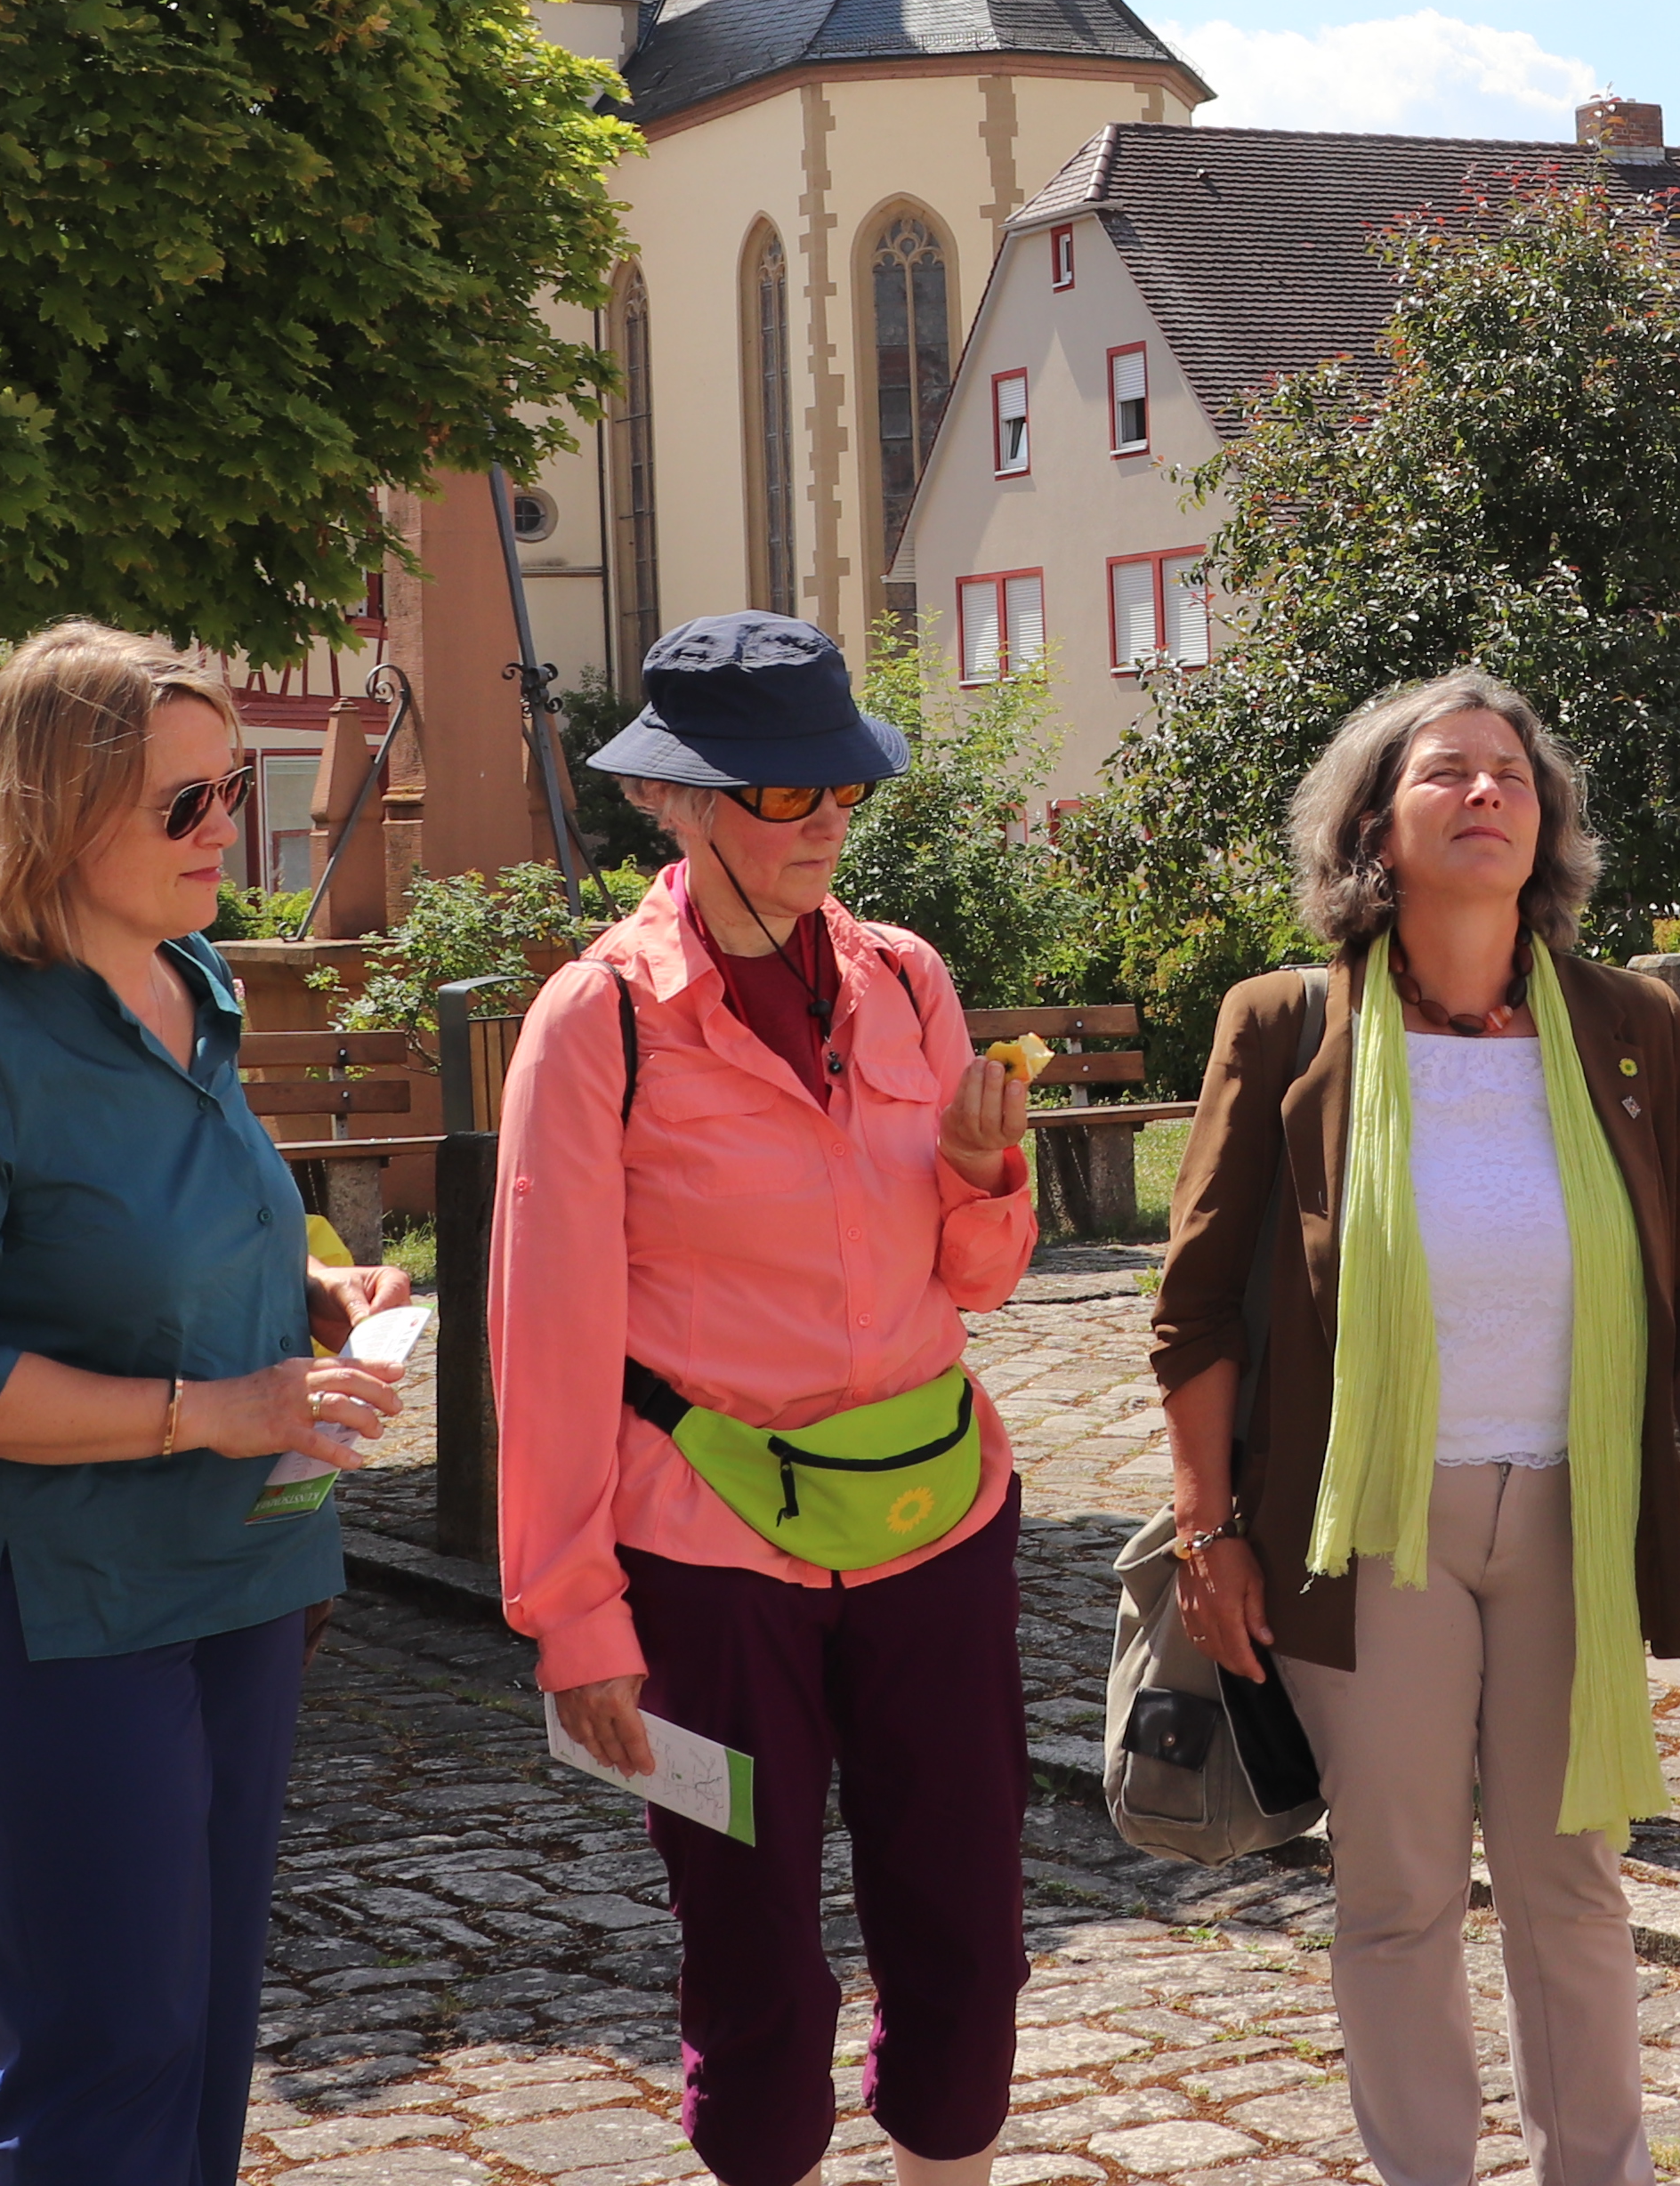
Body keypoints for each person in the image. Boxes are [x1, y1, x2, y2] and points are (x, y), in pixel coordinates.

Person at [1151, 672, 1680, 2186]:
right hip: (1369, 1529)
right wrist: (1211, 1530)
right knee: (1400, 1885)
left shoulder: (1630, 1026)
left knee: (1575, 1885)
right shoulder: (1286, 1024)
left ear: (1544, 824)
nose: (1487, 792)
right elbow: (1199, 1307)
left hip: (1572, 1512)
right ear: (1376, 822)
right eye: (1448, 772)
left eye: (1513, 774)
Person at [0, 625, 413, 2186]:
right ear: (49, 810)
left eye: (232, 787)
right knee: (113, 2031)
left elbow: (189, 1217)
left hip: (244, 1570)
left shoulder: (192, 980)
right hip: (55, 1609)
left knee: (213, 2020)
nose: (226, 824)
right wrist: (218, 1409)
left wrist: (314, 1293)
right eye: (181, 802)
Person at [489, 612, 1038, 2186]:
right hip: (707, 1549)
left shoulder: (909, 983)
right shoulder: (596, 1023)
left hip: (937, 1517)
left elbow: (981, 1277)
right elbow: (544, 1343)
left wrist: (987, 1173)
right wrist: (575, 1620)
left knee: (968, 1929)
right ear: (689, 802)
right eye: (790, 798)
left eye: (844, 792)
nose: (829, 825)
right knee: (754, 1967)